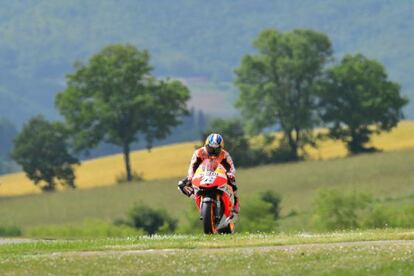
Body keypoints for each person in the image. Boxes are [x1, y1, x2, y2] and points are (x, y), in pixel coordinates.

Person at [178, 133, 240, 214]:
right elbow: (192, 165)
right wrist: (190, 176)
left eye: (216, 150)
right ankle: (196, 195)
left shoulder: (224, 154)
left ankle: (236, 201)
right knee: (181, 185)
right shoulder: (199, 152)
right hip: (202, 174)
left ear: (221, 148)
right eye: (210, 149)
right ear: (206, 146)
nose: (213, 152)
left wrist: (230, 174)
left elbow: (231, 167)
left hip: (219, 173)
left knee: (232, 180)